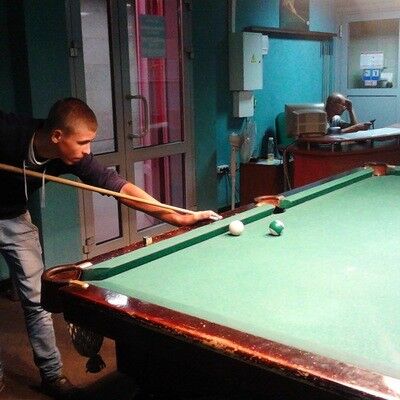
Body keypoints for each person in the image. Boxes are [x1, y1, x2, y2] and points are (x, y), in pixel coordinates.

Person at [0, 97, 222, 399]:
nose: (88, 150)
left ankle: (52, 376)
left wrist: (177, 217)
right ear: (57, 136)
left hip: (15, 218)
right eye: (83, 142)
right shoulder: (8, 131)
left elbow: (118, 186)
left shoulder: (73, 157)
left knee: (39, 300)